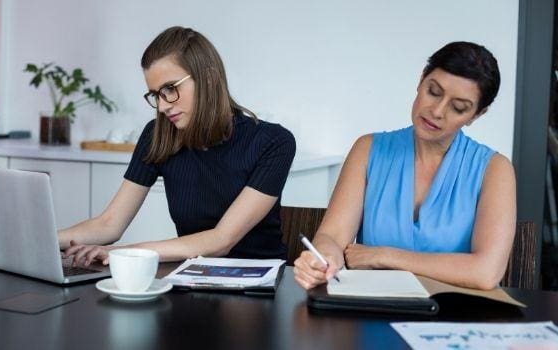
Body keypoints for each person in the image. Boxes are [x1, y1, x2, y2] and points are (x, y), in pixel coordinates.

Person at [60, 26, 296, 265]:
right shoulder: (158, 135)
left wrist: (124, 253)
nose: (162, 107)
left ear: (209, 78)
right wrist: (38, 241)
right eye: (155, 95)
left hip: (259, 285)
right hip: (193, 280)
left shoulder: (274, 142)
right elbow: (108, 224)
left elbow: (221, 240)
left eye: (170, 89)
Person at [294, 41, 515, 291]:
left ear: (476, 115)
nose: (437, 111)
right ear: (421, 80)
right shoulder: (368, 149)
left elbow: (486, 272)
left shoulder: (494, 169)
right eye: (433, 91)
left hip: (450, 318)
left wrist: (385, 256)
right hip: (373, 312)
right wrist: (323, 259)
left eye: (458, 108)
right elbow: (331, 237)